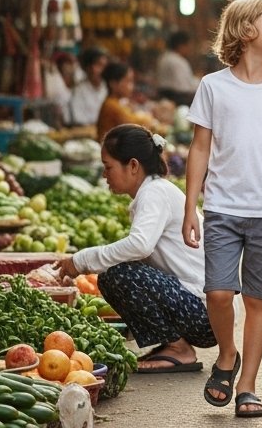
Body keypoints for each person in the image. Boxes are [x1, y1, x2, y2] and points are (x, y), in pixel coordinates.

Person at [181, 0, 262, 417]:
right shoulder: (213, 87)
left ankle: (248, 386)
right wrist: (189, 208)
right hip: (221, 207)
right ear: (245, 29)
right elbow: (199, 149)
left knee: (258, 299)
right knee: (218, 293)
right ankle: (226, 355)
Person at [54, 125, 213, 373]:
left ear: (134, 166)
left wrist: (82, 260)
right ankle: (173, 345)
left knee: (117, 276)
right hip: (198, 308)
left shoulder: (154, 193)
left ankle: (179, 349)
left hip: (203, 313)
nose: (105, 175)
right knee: (117, 271)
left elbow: (140, 245)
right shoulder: (152, 192)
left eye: (109, 167)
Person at [97, 62, 166, 141]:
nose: (132, 86)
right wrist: (151, 120)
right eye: (128, 81)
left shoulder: (119, 103)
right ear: (114, 84)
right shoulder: (111, 105)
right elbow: (135, 123)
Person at [66, 47, 109, 127]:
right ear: (88, 67)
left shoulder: (107, 88)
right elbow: (78, 120)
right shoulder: (78, 91)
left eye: (104, 66)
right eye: (98, 65)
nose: (102, 70)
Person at [156, 32, 200, 106]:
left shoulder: (163, 57)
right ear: (181, 46)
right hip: (178, 100)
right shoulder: (178, 61)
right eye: (188, 45)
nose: (190, 49)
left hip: (164, 96)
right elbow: (183, 88)